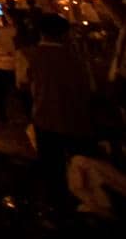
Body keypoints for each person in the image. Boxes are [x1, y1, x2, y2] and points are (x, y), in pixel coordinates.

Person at [23, 13, 93, 202]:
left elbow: (24, 84)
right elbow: (87, 87)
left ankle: (57, 200)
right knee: (79, 163)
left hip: (44, 116)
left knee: (52, 164)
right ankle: (83, 198)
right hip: (76, 116)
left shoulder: (29, 55)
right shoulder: (76, 57)